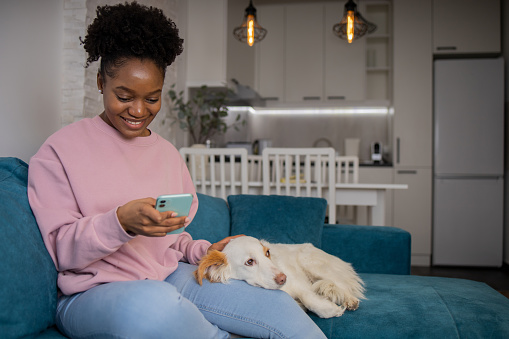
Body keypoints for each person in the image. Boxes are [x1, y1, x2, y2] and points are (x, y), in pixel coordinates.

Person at [27, 2, 327, 338]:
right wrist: (120, 222)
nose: (138, 110)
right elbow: (62, 252)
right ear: (100, 82)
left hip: (169, 277)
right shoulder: (59, 151)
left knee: (277, 306)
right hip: (92, 294)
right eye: (124, 96)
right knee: (154, 305)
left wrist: (207, 251)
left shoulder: (169, 156)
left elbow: (170, 242)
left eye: (152, 98)